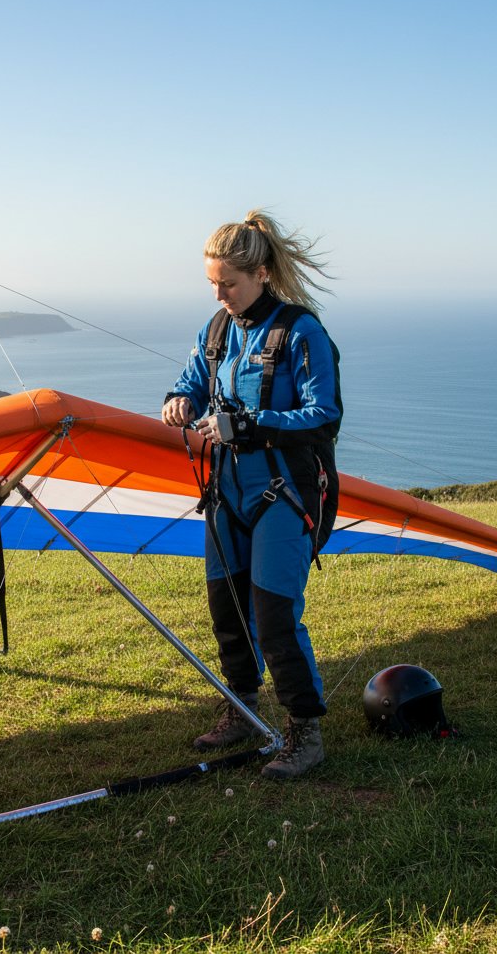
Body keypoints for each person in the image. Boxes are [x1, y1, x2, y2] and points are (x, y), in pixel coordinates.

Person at [161, 210, 341, 780]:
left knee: (274, 614)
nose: (220, 295)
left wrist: (251, 424)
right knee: (227, 610)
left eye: (229, 285)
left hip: (284, 493)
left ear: (262, 274)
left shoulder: (300, 332)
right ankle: (240, 709)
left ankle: (304, 734)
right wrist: (179, 400)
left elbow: (324, 416)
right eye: (212, 284)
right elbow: (192, 381)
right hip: (226, 494)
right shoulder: (216, 330)